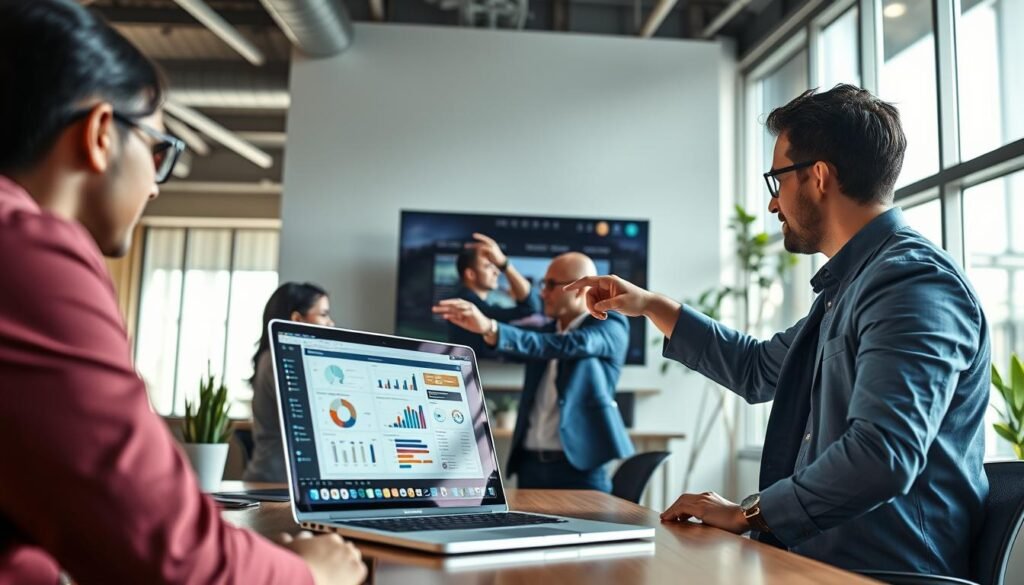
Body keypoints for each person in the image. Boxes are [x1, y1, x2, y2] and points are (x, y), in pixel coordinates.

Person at [0, 2, 365, 583]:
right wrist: (313, 572)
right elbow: (169, 556)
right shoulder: (25, 250)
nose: (154, 189)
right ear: (99, 134)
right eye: (158, 151)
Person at [565, 84, 990, 578]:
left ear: (818, 178)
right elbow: (758, 368)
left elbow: (883, 454)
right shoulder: (850, 287)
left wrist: (750, 513)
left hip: (885, 573)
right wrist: (651, 305)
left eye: (777, 181)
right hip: (820, 561)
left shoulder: (912, 284)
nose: (773, 205)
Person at [434, 252, 634, 492]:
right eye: (543, 284)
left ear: (581, 288)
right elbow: (518, 345)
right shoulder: (545, 332)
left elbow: (568, 345)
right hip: (529, 467)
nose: (542, 292)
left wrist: (490, 326)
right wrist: (483, 332)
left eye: (550, 284)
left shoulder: (610, 325)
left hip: (580, 470)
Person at [245, 282, 334, 483]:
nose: (331, 323)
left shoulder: (281, 358)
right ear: (297, 319)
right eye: (323, 314)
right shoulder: (277, 359)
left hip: (282, 479)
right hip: (272, 482)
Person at [449, 232, 541, 357]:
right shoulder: (470, 304)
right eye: (488, 267)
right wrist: (505, 264)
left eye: (496, 266)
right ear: (470, 274)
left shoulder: (472, 301)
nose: (497, 272)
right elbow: (530, 307)